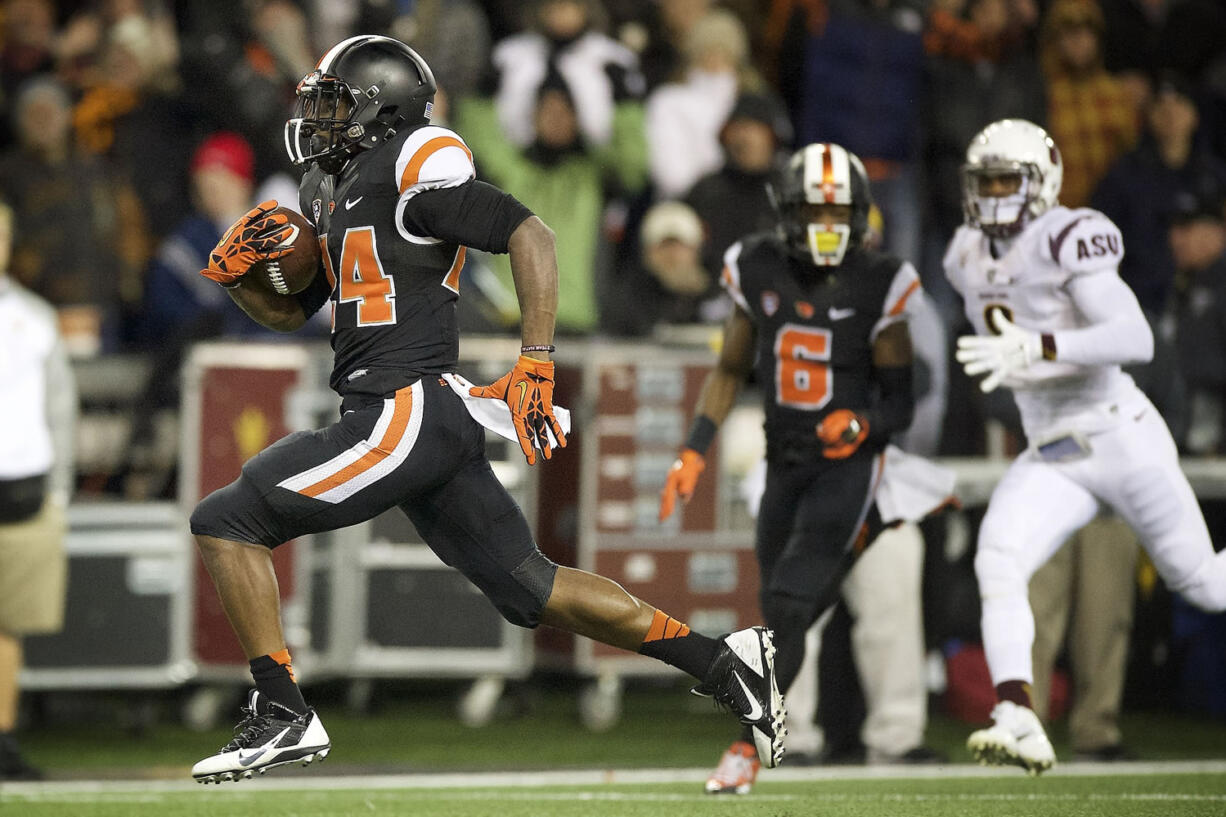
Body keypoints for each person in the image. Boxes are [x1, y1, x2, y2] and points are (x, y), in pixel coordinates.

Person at [186, 35, 784, 784]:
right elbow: (301, 308)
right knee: (532, 587)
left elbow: (529, 232)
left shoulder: (414, 160)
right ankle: (725, 659)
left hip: (400, 406)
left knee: (226, 518)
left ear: (383, 108)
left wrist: (536, 359)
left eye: (337, 103)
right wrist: (244, 278)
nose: (322, 120)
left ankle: (282, 710)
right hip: (411, 412)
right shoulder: (330, 189)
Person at [945, 118, 1226, 775]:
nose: (990, 196)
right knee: (998, 558)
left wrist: (1042, 345)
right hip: (1051, 444)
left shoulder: (1068, 236)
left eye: (1005, 181)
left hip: (1116, 429)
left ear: (1041, 184)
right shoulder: (962, 253)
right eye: (981, 182)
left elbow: (1136, 337)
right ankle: (1017, 713)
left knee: (1205, 582)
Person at [659, 142, 923, 793]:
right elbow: (728, 369)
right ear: (786, 211)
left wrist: (859, 423)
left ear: (861, 215)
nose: (828, 224)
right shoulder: (756, 265)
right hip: (785, 465)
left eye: (840, 211)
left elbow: (901, 403)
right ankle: (786, 740)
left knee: (791, 603)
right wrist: (694, 448)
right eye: (813, 209)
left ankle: (749, 748)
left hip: (850, 468)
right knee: (782, 607)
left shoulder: (880, 277)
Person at [0, 197, 77, 780]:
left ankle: (3, 744)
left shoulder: (34, 317)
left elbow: (61, 410)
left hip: (25, 493)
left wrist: (58, 494)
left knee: (9, 630)